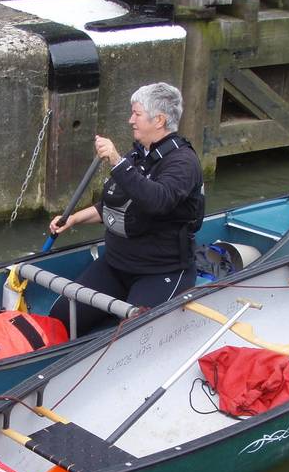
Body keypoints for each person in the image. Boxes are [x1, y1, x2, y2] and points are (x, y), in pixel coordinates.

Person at [48, 82, 204, 335]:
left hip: (160, 271)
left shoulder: (183, 162)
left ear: (159, 120)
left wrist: (116, 161)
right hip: (116, 264)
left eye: (137, 114)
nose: (131, 120)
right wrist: (74, 219)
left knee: (133, 336)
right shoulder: (139, 155)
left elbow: (157, 200)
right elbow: (115, 204)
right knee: (60, 318)